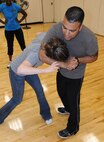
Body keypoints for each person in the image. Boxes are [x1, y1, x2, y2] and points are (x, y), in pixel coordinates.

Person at [41, 6, 98, 138]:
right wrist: (64, 64)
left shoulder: (89, 38)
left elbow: (94, 57)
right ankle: (67, 109)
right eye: (64, 28)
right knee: (61, 92)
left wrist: (77, 60)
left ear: (80, 27)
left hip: (76, 75)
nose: (66, 34)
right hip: (61, 70)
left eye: (72, 31)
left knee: (74, 102)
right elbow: (42, 54)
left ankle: (73, 128)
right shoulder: (56, 28)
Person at [0, 33, 69, 125]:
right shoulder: (35, 55)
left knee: (40, 90)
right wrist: (45, 70)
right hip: (16, 71)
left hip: (29, 68)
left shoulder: (46, 40)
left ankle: (46, 114)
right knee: (17, 99)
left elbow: (38, 33)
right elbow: (21, 70)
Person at [0, 0, 27, 68]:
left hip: (17, 28)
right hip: (8, 30)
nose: (9, 1)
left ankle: (26, 60)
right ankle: (10, 61)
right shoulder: (2, 6)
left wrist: (20, 21)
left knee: (22, 44)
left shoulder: (15, 6)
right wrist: (3, 22)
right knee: (10, 45)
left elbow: (25, 14)